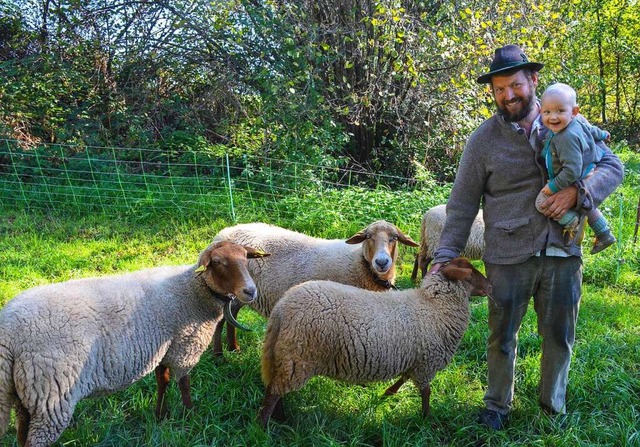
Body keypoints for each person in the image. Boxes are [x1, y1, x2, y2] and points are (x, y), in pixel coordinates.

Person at [429, 44, 624, 430]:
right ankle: (496, 406)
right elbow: (462, 204)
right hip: (507, 252)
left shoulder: (569, 121)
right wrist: (444, 254)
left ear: (533, 80)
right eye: (499, 89)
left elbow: (613, 166)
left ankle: (552, 407)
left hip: (563, 247)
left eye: (515, 85)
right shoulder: (482, 140)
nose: (508, 95)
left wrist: (578, 193)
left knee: (559, 335)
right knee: (501, 334)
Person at [535, 82, 616, 254]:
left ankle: (573, 222)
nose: (553, 117)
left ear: (574, 111)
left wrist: (553, 186)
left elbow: (571, 170)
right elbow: (593, 131)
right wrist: (604, 134)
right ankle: (604, 233)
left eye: (560, 111)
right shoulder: (577, 122)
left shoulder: (565, 137)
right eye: (547, 112)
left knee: (541, 202)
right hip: (587, 170)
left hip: (572, 174)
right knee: (583, 200)